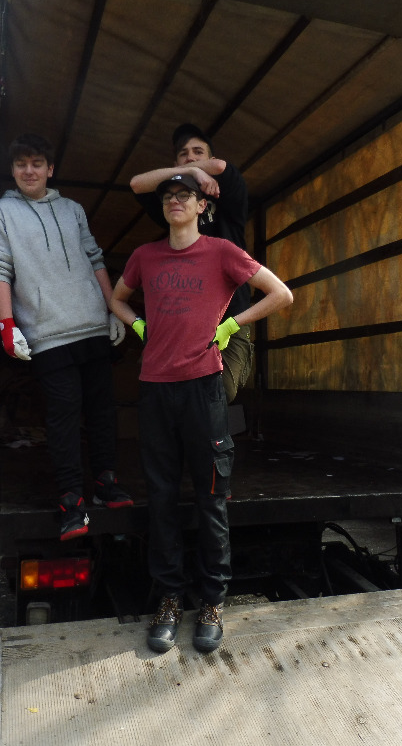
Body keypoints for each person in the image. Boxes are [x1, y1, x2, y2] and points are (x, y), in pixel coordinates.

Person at [110, 173, 293, 653]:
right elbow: (116, 298)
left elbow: (281, 294)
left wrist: (232, 324)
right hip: (155, 390)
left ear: (201, 206)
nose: (175, 201)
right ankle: (169, 600)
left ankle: (212, 602)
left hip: (203, 389)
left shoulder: (222, 252)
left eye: (184, 195)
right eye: (168, 196)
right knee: (162, 498)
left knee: (211, 498)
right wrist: (139, 325)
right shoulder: (145, 256)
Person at [0, 133, 133, 543]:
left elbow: (96, 260)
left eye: (37, 163)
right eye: (21, 164)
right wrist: (7, 325)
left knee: (102, 411)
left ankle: (106, 482)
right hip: (48, 333)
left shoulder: (73, 209)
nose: (29, 171)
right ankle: (71, 499)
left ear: (50, 169)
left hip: (92, 325)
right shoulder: (3, 211)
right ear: (13, 171)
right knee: (64, 417)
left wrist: (113, 309)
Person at [129, 123, 253, 403]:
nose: (191, 157)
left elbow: (219, 166)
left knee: (221, 391)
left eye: (198, 152)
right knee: (171, 393)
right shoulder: (173, 204)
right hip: (184, 317)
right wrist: (192, 172)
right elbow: (136, 184)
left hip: (230, 314)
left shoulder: (227, 191)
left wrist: (196, 170)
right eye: (183, 154)